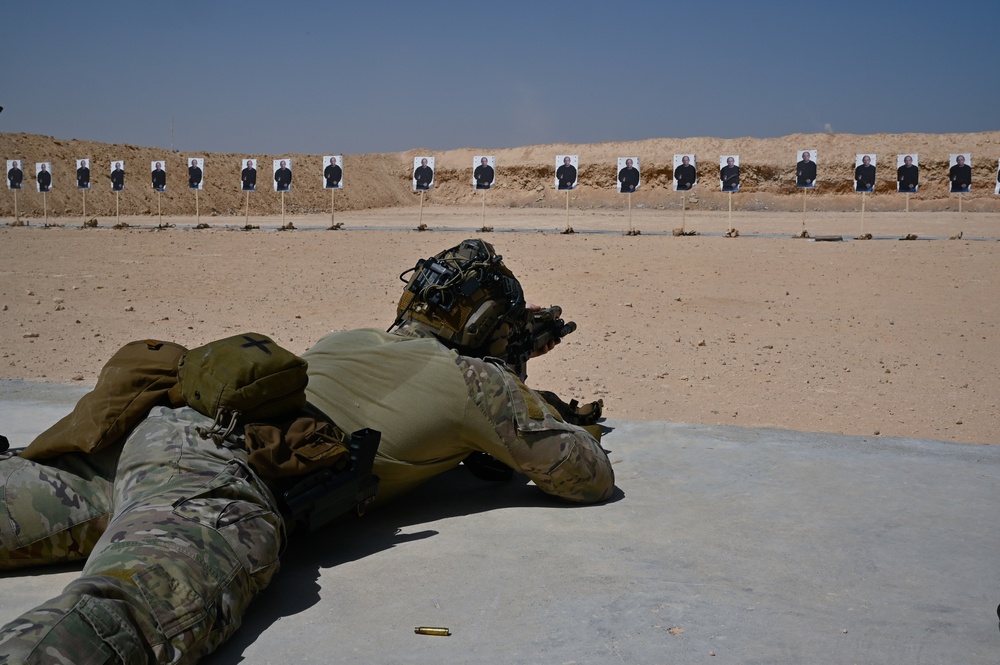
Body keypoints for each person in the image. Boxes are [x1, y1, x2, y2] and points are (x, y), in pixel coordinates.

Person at [0, 238, 613, 663]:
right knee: (132, 614)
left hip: (166, 432)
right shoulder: (481, 384)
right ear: (483, 327)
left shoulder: (352, 338)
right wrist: (522, 391)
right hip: (220, 473)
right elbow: (585, 477)